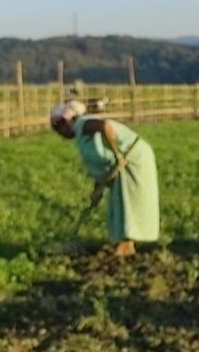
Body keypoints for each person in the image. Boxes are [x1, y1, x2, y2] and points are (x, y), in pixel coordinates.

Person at [50, 100, 160, 257]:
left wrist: (118, 154)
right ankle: (126, 246)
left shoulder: (85, 124)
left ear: (65, 123)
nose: (59, 133)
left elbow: (105, 127)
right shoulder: (82, 131)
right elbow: (103, 163)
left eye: (58, 128)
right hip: (125, 163)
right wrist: (97, 189)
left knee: (129, 203)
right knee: (119, 204)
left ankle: (124, 246)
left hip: (134, 159)